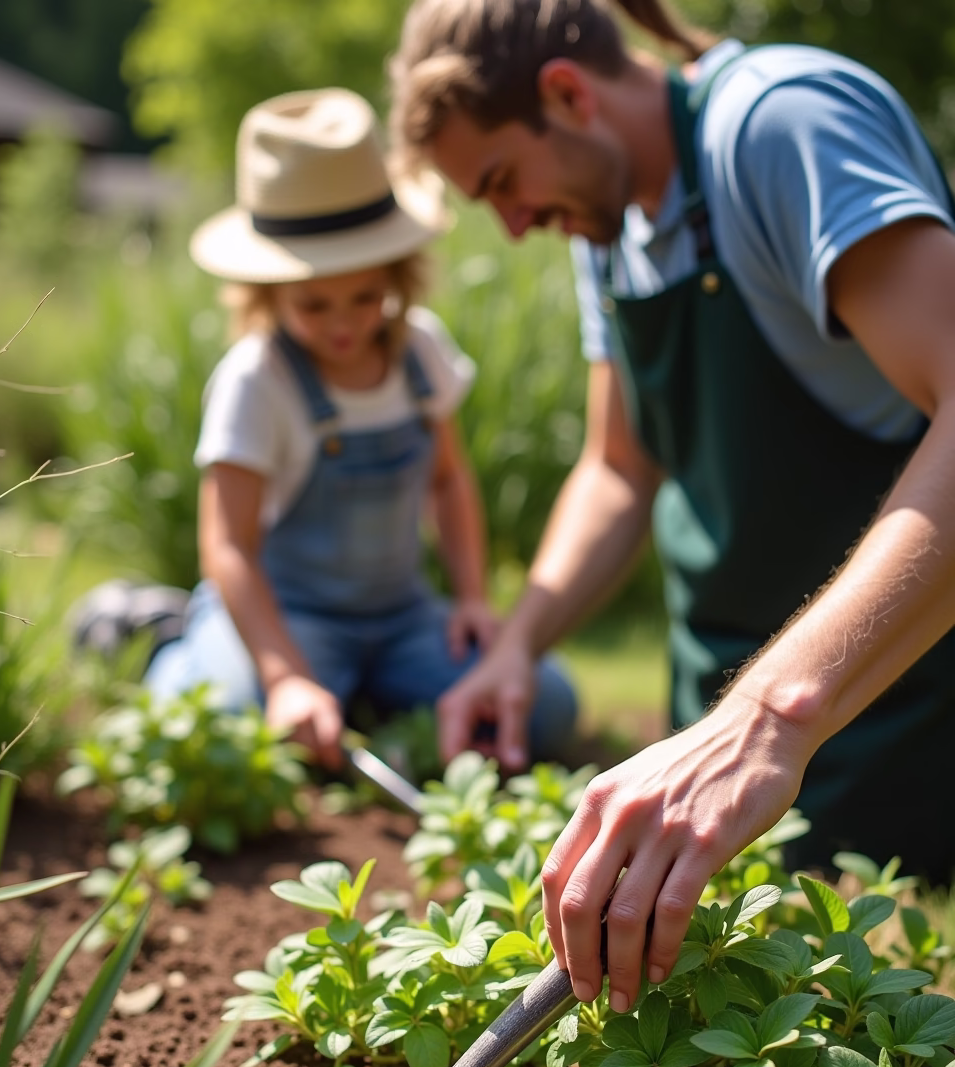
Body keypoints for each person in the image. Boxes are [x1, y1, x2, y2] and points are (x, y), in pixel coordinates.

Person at [390, 0, 955, 1010]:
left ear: (567, 95)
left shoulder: (778, 127)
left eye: (501, 184)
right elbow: (619, 467)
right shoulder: (610, 226)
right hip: (723, 729)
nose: (512, 227)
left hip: (897, 717)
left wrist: (769, 719)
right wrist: (522, 639)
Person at [142, 86, 577, 768]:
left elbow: (449, 478)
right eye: (315, 305)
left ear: (398, 276)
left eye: (367, 297)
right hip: (291, 619)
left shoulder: (420, 353)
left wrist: (469, 598)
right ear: (266, 291)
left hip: (401, 618)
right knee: (223, 729)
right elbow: (228, 545)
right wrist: (284, 675)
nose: (345, 324)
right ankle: (170, 643)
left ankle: (355, 694)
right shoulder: (256, 380)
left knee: (546, 703)